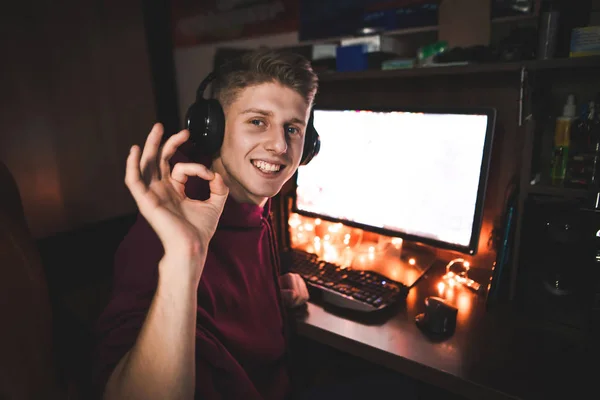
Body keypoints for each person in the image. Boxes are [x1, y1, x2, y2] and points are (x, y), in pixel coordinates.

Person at [92, 49, 314, 400]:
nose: (279, 145)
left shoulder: (256, 203)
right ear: (212, 129)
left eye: (293, 128)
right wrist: (185, 255)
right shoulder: (165, 232)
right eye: (258, 121)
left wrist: (271, 293)